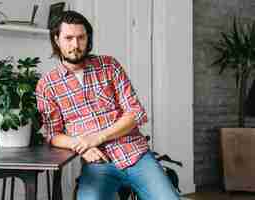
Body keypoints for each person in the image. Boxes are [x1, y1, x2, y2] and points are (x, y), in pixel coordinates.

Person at [36, 10, 179, 200]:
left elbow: (135, 112)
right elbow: (53, 135)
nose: (75, 45)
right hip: (98, 165)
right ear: (56, 39)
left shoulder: (109, 66)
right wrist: (82, 146)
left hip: (136, 155)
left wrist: (96, 138)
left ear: (88, 39)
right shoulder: (47, 85)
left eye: (81, 38)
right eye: (68, 38)